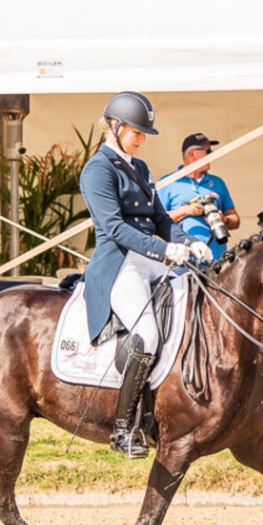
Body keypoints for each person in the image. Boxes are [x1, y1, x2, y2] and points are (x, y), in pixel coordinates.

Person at [80, 91, 210, 458]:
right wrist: (164, 249)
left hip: (150, 257)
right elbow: (114, 228)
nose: (140, 138)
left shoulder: (139, 168)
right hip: (119, 262)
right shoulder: (97, 170)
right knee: (148, 334)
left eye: (143, 133)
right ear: (115, 127)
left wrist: (186, 241)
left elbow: (160, 220)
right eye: (136, 131)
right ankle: (124, 428)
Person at [158, 132, 241, 260]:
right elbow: (156, 220)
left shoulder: (218, 182)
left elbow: (235, 220)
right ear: (191, 153)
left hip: (217, 260)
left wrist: (224, 220)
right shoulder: (168, 182)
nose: (211, 154)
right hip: (183, 260)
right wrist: (186, 211)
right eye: (206, 151)